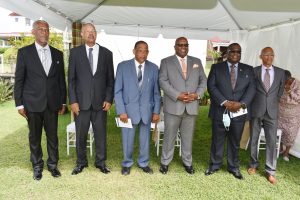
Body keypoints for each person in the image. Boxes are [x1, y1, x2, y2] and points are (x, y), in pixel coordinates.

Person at [14, 20, 67, 180]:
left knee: (53, 137)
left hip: (52, 104)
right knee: (35, 137)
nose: (44, 32)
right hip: (32, 103)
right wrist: (19, 104)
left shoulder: (58, 54)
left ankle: (53, 165)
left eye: (47, 29)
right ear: (34, 32)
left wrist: (63, 101)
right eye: (41, 29)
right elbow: (19, 80)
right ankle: (37, 166)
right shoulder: (24, 53)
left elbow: (60, 81)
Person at [68, 23, 114, 175]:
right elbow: (72, 80)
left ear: (96, 34)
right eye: (87, 31)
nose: (90, 33)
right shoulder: (75, 53)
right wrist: (73, 101)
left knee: (101, 135)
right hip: (81, 104)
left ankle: (101, 162)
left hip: (100, 104)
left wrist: (109, 99)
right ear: (81, 34)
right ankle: (81, 162)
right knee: (80, 135)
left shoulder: (107, 53)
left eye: (93, 31)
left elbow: (110, 80)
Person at [205, 43, 256, 180]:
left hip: (239, 112)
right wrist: (225, 102)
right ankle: (215, 165)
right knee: (217, 139)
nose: (235, 54)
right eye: (232, 51)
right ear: (227, 53)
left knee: (235, 141)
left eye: (238, 52)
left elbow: (252, 89)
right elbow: (211, 86)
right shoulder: (217, 67)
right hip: (220, 110)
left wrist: (241, 104)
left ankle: (233, 167)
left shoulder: (248, 69)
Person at [159, 37, 207, 174]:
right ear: (175, 47)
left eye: (185, 45)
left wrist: (197, 94)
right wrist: (177, 95)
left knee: (188, 137)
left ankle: (187, 162)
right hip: (173, 106)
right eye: (180, 45)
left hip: (191, 107)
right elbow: (163, 81)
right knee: (169, 137)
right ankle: (165, 162)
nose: (183, 47)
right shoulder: (166, 62)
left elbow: (203, 80)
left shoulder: (196, 61)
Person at [114, 41, 161, 175]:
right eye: (140, 50)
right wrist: (121, 111)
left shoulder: (153, 68)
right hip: (128, 112)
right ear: (134, 51)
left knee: (145, 140)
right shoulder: (122, 67)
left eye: (146, 51)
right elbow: (118, 91)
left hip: (147, 110)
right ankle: (127, 163)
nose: (143, 53)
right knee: (127, 139)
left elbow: (156, 92)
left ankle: (143, 163)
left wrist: (156, 111)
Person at [248, 47, 285, 184]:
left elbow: (280, 91)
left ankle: (271, 171)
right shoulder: (254, 71)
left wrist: (272, 102)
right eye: (266, 54)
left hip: (272, 112)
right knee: (254, 138)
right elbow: (250, 88)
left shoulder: (281, 72)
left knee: (271, 141)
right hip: (256, 109)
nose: (269, 57)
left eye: (271, 55)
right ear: (260, 56)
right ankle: (253, 164)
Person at [278, 70, 300, 161]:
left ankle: (286, 153)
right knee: (278, 131)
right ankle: (280, 149)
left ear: (290, 78)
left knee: (291, 134)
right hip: (280, 113)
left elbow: (298, 99)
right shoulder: (280, 82)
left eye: (285, 80)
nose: (284, 82)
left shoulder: (298, 84)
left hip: (293, 115)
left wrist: (290, 91)